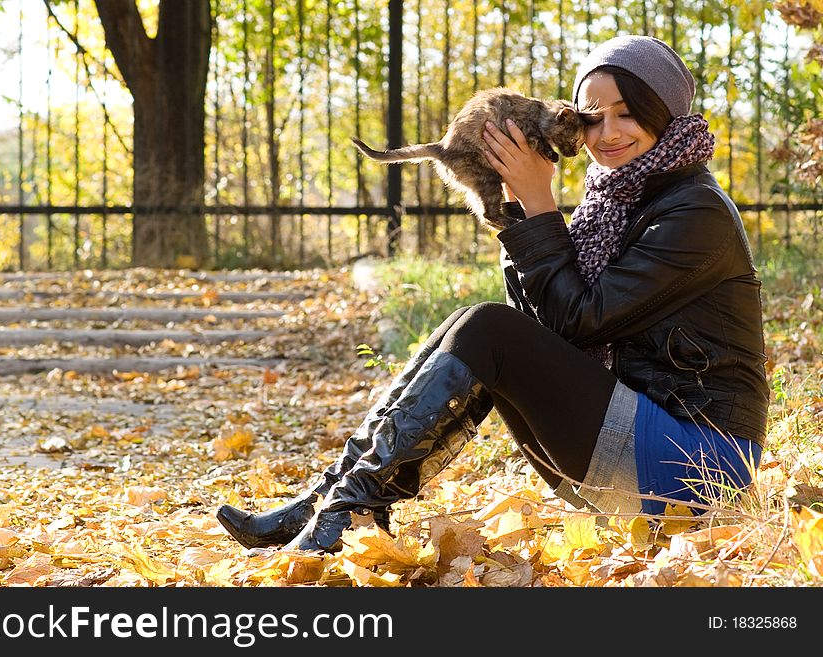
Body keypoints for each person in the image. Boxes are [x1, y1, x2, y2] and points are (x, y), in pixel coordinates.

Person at [217, 35, 770, 553]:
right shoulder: (615, 204)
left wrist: (539, 210)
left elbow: (579, 320)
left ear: (666, 113)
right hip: (634, 441)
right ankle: (331, 505)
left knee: (487, 328)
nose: (607, 134)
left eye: (628, 113)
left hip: (699, 464)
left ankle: (342, 515)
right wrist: (515, 213)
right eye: (594, 118)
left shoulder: (695, 211)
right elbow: (541, 325)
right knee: (475, 327)